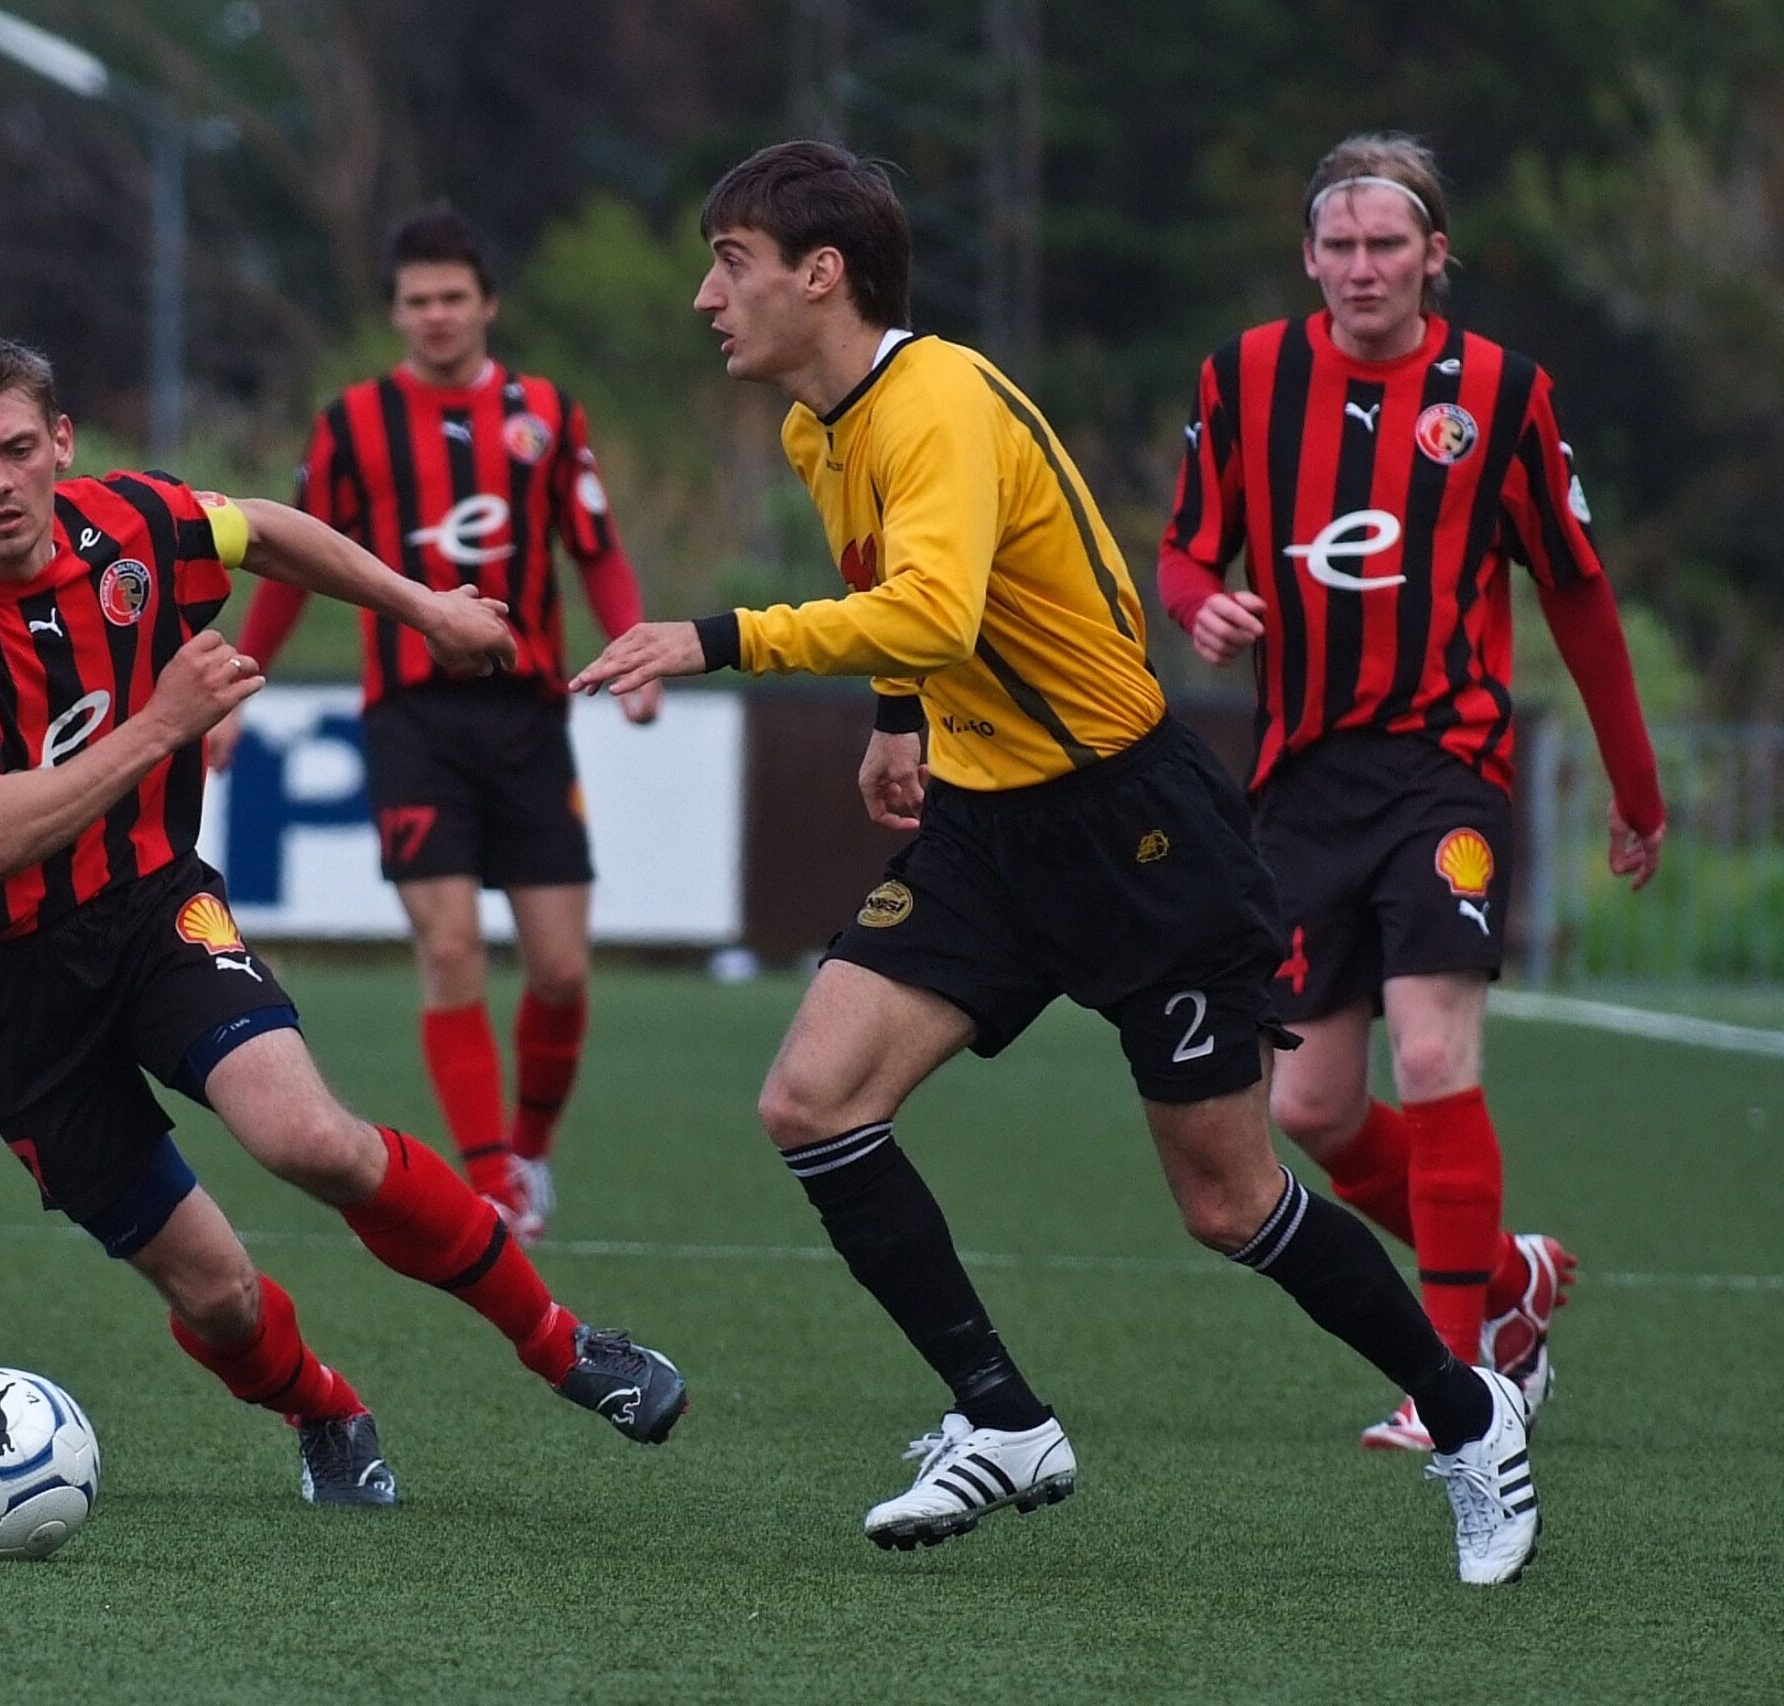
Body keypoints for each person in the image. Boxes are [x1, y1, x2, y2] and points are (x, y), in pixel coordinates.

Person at [574, 141, 1536, 1584]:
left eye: (731, 261)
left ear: (820, 274)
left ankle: (1472, 1418)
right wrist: (897, 725)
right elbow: (892, 602)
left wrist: (714, 638)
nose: (709, 295)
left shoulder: (938, 400)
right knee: (809, 1098)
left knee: (1225, 1200)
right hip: (984, 828)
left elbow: (939, 609)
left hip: (1134, 831)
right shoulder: (813, 429)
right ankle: (1004, 1417)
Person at [0, 337, 686, 1510]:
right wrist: (160, 724)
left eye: (20, 450)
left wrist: (422, 605)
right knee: (215, 1291)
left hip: (145, 903)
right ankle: (323, 1411)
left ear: (62, 445)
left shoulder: (127, 523)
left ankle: (560, 1341)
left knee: (310, 1139)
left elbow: (260, 528)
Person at [1157, 133, 1666, 1451]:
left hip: (1446, 767)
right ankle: (1512, 1284)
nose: (1364, 267)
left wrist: (1637, 785)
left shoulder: (1500, 393)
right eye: (1341, 245)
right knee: (1311, 1109)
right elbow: (1182, 549)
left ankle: (1461, 1387)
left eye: (1390, 244)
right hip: (1302, 782)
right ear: (1310, 256)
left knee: (1433, 1052)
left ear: (1436, 255)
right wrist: (1202, 604)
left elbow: (1578, 591)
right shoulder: (1246, 376)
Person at [205, 205, 658, 1243]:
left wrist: (634, 645)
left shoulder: (546, 414)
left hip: (528, 714)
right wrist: (239, 679)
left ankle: (530, 1149)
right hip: (412, 718)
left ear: (487, 303)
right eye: (418, 301)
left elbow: (594, 547)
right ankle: (489, 1174)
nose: (438, 316)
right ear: (395, 312)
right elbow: (288, 563)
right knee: (449, 946)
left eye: (455, 297)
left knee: (560, 967)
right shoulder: (353, 423)